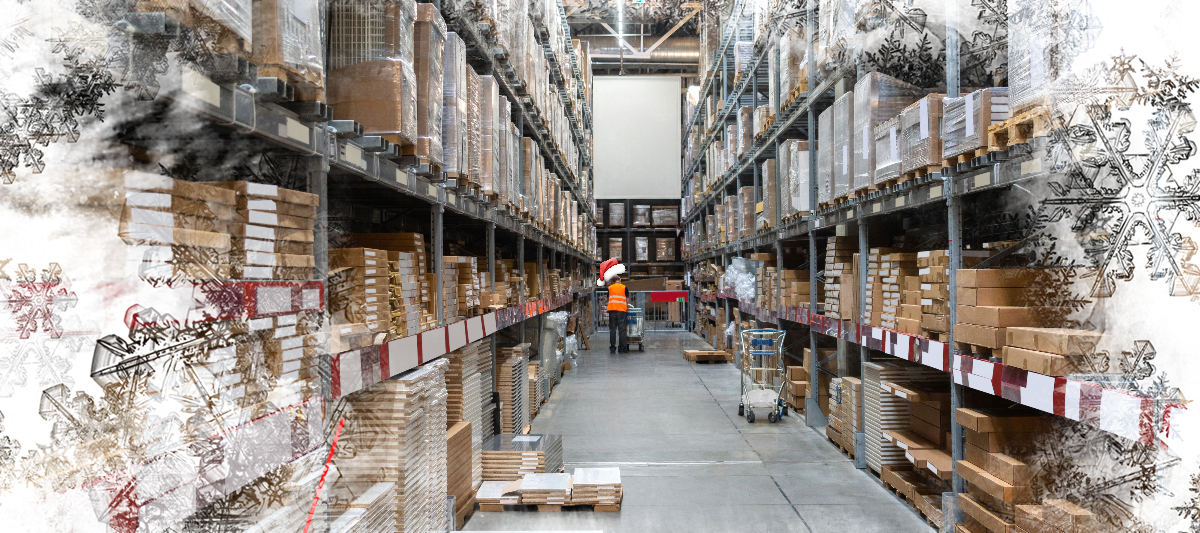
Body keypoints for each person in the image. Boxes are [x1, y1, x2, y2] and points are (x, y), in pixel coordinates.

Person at [598, 258, 628, 353]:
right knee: (622, 330)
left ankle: (612, 348)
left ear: (613, 281)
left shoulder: (610, 288)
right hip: (621, 311)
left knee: (612, 330)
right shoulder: (624, 287)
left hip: (612, 311)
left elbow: (608, 299)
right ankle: (622, 348)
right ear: (619, 280)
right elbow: (626, 299)